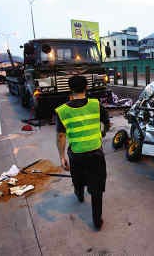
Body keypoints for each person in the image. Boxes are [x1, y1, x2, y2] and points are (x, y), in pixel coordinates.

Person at [55, 75, 110, 230]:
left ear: (70, 89)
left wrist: (61, 157)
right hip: (95, 152)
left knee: (78, 178)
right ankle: (97, 221)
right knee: (97, 188)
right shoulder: (96, 104)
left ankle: (79, 193)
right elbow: (107, 123)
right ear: (86, 88)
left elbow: (61, 136)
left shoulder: (63, 110)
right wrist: (102, 133)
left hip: (76, 154)